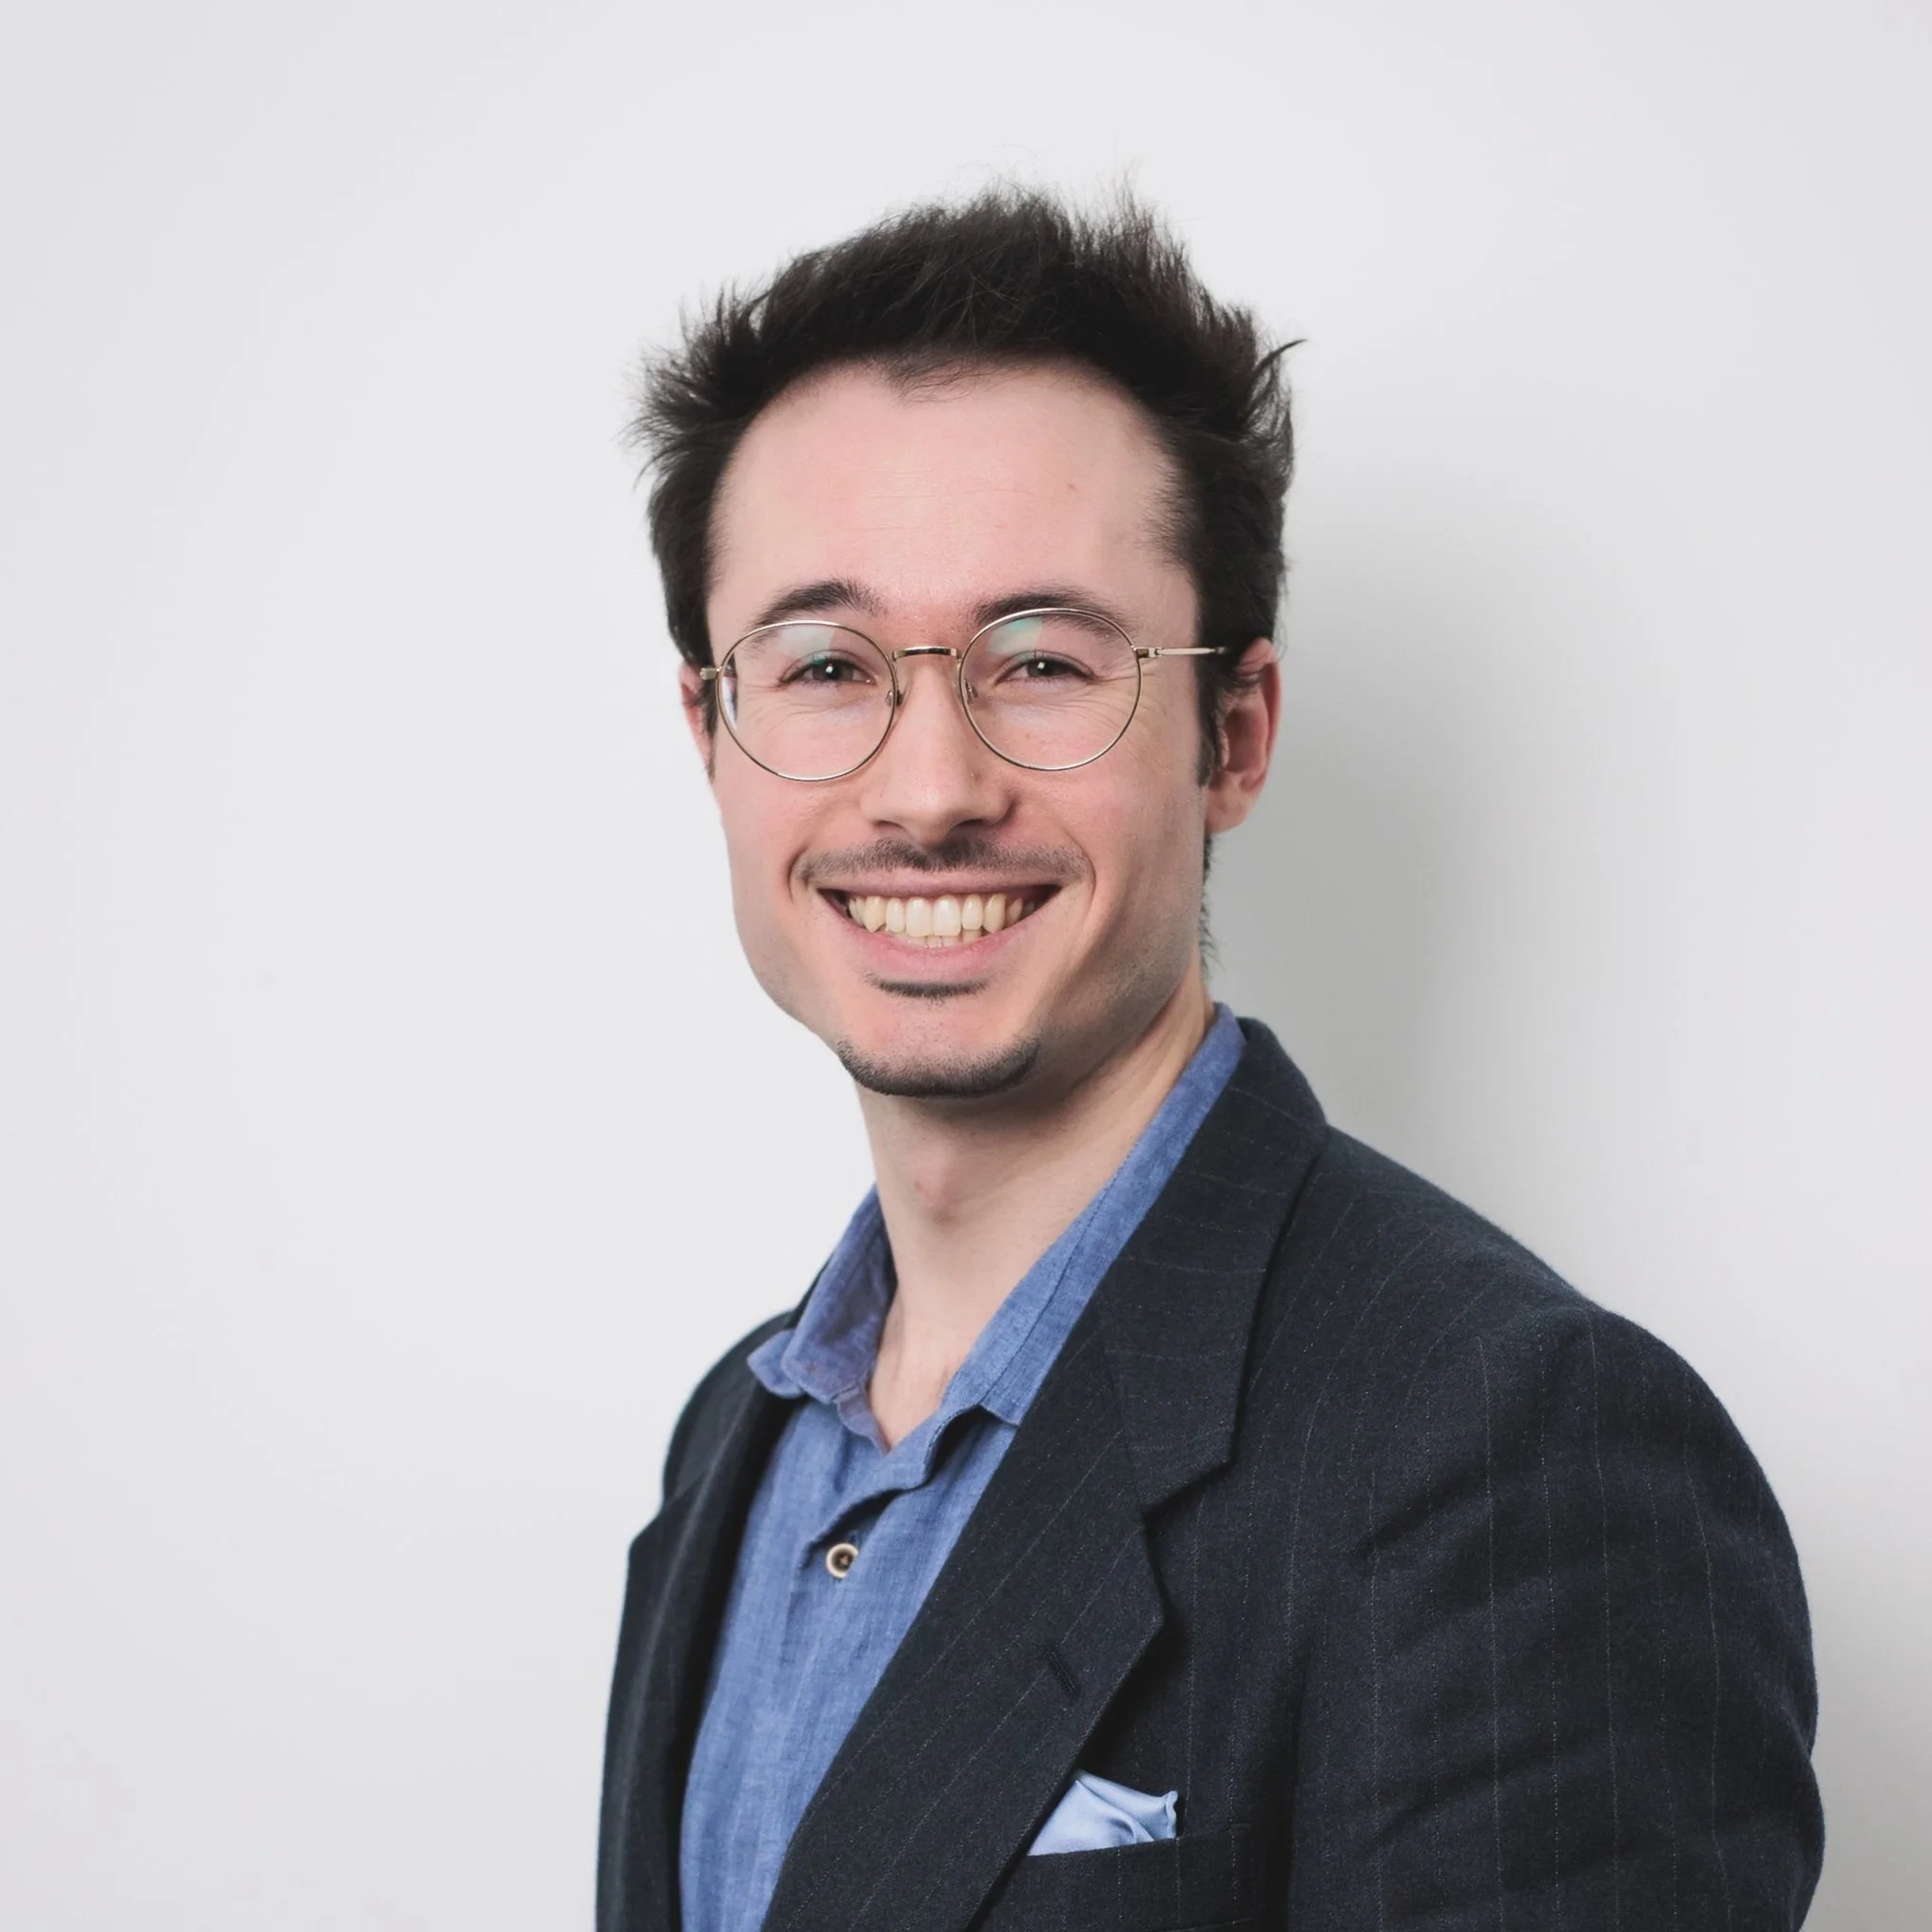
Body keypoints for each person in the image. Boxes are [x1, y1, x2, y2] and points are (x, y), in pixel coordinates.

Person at [597, 189, 1823, 1932]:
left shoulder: (1517, 1454)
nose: (929, 790)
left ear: (1232, 735)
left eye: (1043, 661)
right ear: (712, 731)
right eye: (824, 666)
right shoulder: (733, 1442)